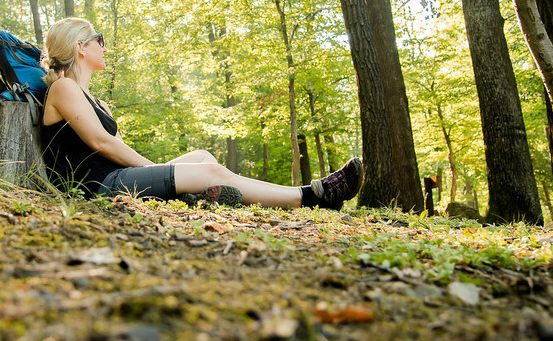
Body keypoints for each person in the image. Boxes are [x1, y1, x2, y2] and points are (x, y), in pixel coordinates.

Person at [39, 17, 363, 209]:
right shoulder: (64, 88)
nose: (104, 46)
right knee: (212, 174)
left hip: (115, 178)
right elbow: (102, 144)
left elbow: (114, 147)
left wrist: (163, 172)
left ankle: (196, 197)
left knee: (204, 157)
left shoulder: (97, 101)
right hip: (97, 188)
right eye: (99, 40)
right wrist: (159, 171)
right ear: (81, 46)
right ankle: (311, 196)